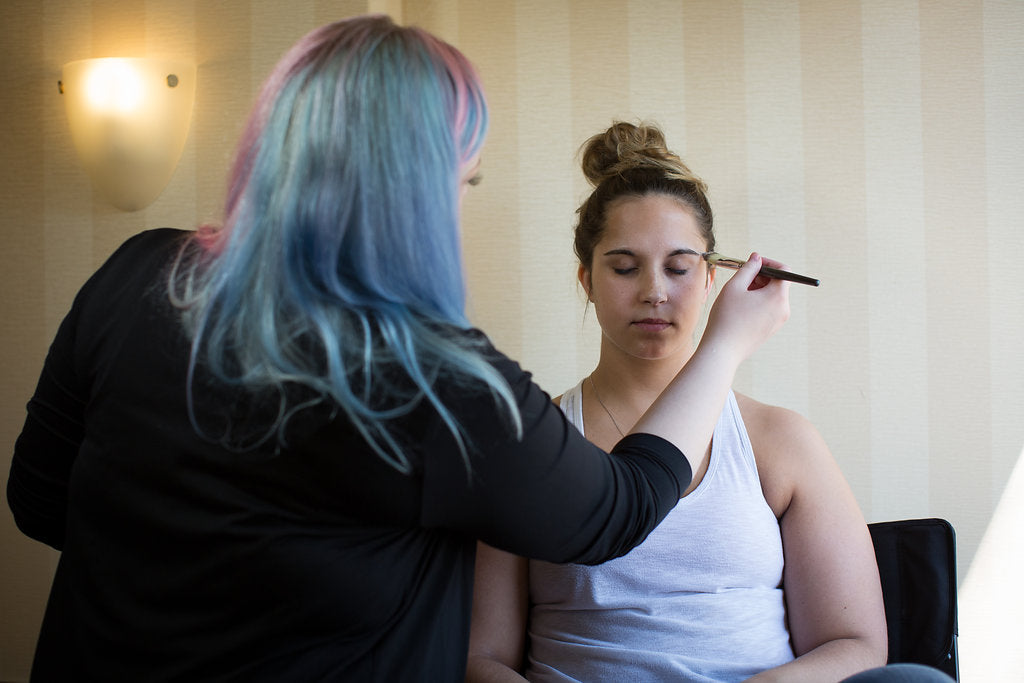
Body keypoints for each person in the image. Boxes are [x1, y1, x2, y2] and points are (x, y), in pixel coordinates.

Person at [6, 18, 791, 683]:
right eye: (464, 180)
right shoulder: (433, 382)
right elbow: (618, 509)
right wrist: (722, 348)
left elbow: (39, 498)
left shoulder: (140, 272)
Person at [466, 122, 955, 683]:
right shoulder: (531, 439)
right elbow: (483, 658)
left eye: (678, 268)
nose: (655, 291)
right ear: (587, 280)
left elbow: (855, 643)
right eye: (624, 267)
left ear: (711, 279)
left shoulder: (779, 441)